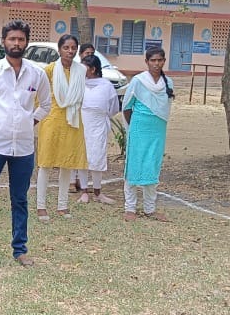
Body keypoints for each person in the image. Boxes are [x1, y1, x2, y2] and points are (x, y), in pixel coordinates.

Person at [0, 20, 51, 266]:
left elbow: (45, 105)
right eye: (12, 39)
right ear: (4, 41)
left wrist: (29, 122)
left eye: (21, 39)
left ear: (26, 42)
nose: (16, 43)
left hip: (24, 147)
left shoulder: (36, 73)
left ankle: (20, 250)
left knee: (20, 199)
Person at [33, 34, 87, 218]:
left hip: (72, 121)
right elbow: (37, 96)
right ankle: (41, 206)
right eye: (66, 48)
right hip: (51, 120)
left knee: (68, 164)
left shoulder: (81, 71)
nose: (70, 51)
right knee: (45, 164)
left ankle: (62, 205)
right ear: (59, 49)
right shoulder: (49, 70)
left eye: (73, 48)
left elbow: (79, 97)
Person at [121, 46, 173, 221]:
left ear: (164, 61)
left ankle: (150, 209)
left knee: (152, 166)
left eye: (160, 60)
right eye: (153, 60)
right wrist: (134, 128)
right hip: (139, 128)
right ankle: (130, 208)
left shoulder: (168, 83)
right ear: (147, 62)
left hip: (157, 131)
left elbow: (166, 108)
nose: (156, 64)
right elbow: (127, 107)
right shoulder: (138, 81)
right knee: (134, 166)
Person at [76, 53, 120, 204]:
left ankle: (97, 192)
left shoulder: (106, 86)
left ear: (93, 69)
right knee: (82, 158)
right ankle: (83, 191)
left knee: (97, 157)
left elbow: (114, 108)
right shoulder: (80, 84)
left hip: (98, 126)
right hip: (82, 124)